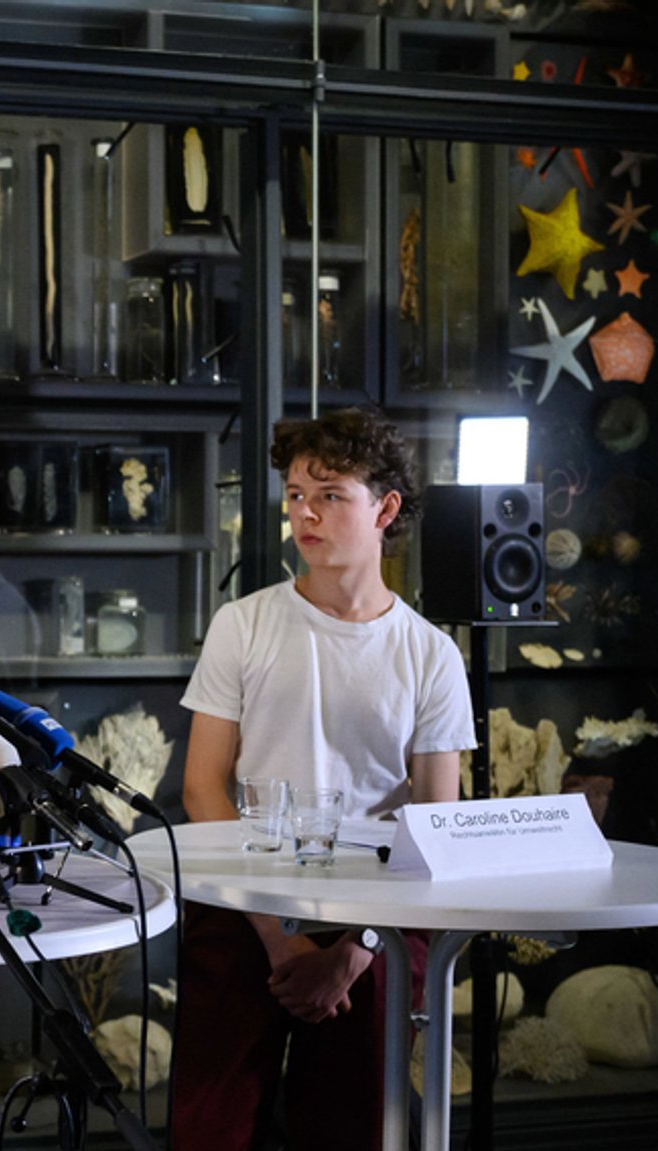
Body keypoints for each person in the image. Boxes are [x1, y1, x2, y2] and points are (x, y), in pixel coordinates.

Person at [172, 408, 476, 1151]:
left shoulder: (430, 654)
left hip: (372, 917)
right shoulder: (242, 624)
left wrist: (354, 948)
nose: (304, 511)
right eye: (295, 493)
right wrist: (280, 944)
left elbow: (436, 825)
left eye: (330, 494)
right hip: (245, 900)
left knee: (351, 1129)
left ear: (386, 508)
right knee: (208, 1128)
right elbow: (203, 787)